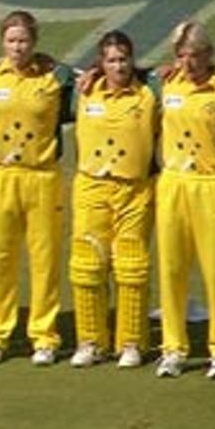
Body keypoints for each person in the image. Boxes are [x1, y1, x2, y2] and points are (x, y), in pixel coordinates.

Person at [0, 11, 75, 365]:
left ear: (35, 42)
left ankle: (43, 337)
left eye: (24, 41)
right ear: (2, 42)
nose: (18, 47)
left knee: (43, 260)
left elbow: (91, 77)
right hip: (1, 175)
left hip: (42, 176)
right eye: (12, 40)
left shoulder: (55, 76)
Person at [153, 20, 215, 378]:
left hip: (212, 184)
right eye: (181, 55)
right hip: (173, 183)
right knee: (172, 269)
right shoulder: (163, 83)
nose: (188, 63)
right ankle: (173, 348)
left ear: (209, 54)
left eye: (195, 55)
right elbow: (120, 70)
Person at [66, 30, 158, 369]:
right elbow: (50, 72)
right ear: (100, 64)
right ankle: (90, 341)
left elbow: (181, 70)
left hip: (134, 189)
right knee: (88, 265)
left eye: (123, 59)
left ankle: (131, 342)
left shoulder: (149, 92)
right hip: (91, 186)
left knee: (130, 265)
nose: (118, 66)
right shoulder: (83, 90)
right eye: (111, 60)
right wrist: (87, 74)